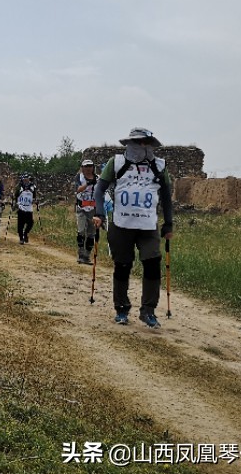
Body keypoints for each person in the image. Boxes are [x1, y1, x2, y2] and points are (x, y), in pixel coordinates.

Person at [92, 127, 173, 329]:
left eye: (147, 143)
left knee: (152, 264)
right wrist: (99, 213)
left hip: (148, 226)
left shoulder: (159, 165)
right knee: (122, 266)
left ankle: (148, 311)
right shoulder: (117, 162)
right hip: (122, 224)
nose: (143, 146)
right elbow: (99, 189)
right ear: (130, 143)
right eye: (139, 142)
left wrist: (168, 223)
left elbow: (166, 196)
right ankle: (121, 308)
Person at [74, 159, 99, 264]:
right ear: (82, 168)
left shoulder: (98, 178)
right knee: (81, 231)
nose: (88, 168)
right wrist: (88, 184)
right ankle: (80, 254)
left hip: (93, 209)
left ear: (93, 167)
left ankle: (87, 256)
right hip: (81, 208)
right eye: (86, 166)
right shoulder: (79, 177)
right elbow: (77, 189)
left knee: (91, 233)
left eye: (90, 166)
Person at [13, 173, 39, 244]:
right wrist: (15, 203)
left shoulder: (32, 187)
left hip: (29, 208)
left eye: (27, 178)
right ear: (22, 179)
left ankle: (25, 233)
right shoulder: (19, 187)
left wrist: (35, 201)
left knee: (30, 223)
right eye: (24, 179)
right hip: (21, 207)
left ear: (28, 179)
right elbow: (15, 196)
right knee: (20, 224)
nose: (25, 180)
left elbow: (34, 197)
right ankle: (21, 239)